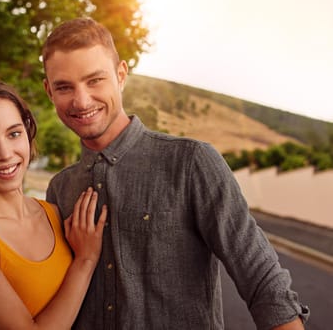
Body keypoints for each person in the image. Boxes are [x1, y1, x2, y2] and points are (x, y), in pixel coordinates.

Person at [42, 17, 310, 329]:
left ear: (121, 75)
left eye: (95, 80)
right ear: (49, 91)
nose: (81, 100)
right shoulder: (60, 189)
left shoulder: (191, 161)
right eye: (64, 87)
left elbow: (260, 275)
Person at [0, 79, 107, 329]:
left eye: (13, 134)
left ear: (27, 134)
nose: (4, 153)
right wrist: (85, 262)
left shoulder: (54, 213)